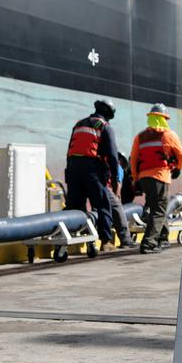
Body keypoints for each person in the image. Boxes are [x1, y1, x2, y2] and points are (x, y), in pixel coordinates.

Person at [130, 103, 182, 254]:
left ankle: (163, 238)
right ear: (165, 119)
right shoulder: (169, 135)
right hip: (161, 176)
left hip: (144, 178)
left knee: (156, 207)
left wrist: (135, 178)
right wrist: (178, 168)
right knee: (159, 210)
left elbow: (134, 159)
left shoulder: (139, 137)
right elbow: (181, 156)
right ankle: (148, 244)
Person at [65, 99, 121, 251]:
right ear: (109, 114)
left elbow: (71, 147)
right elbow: (112, 156)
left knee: (75, 206)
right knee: (102, 204)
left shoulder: (79, 124)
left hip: (73, 168)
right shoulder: (104, 126)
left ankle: (76, 240)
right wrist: (115, 180)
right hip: (92, 170)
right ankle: (106, 242)